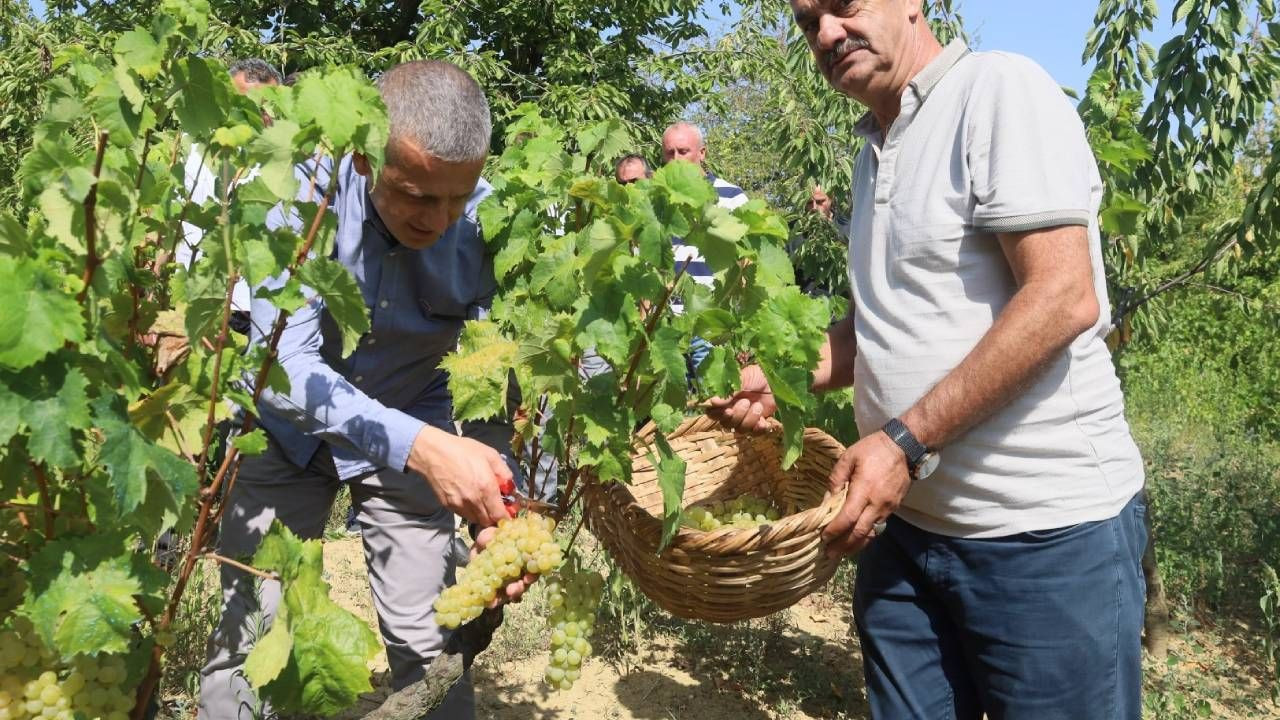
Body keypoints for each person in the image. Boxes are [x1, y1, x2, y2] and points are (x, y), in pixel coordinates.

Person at [710, 2, 1147, 718]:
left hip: (1044, 542)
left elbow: (1065, 296)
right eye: (806, 20)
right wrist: (782, 378)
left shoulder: (996, 92)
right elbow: (882, 326)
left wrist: (904, 441)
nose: (824, 33)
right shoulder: (870, 152)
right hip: (908, 534)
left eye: (841, 6)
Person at [198, 60, 527, 720]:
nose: (438, 219)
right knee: (250, 641)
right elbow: (286, 369)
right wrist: (428, 452)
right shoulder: (291, 192)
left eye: (456, 197)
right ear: (364, 156)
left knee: (429, 641)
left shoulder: (494, 223)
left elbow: (500, 372)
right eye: (416, 195)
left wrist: (502, 485)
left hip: (414, 416)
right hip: (286, 436)